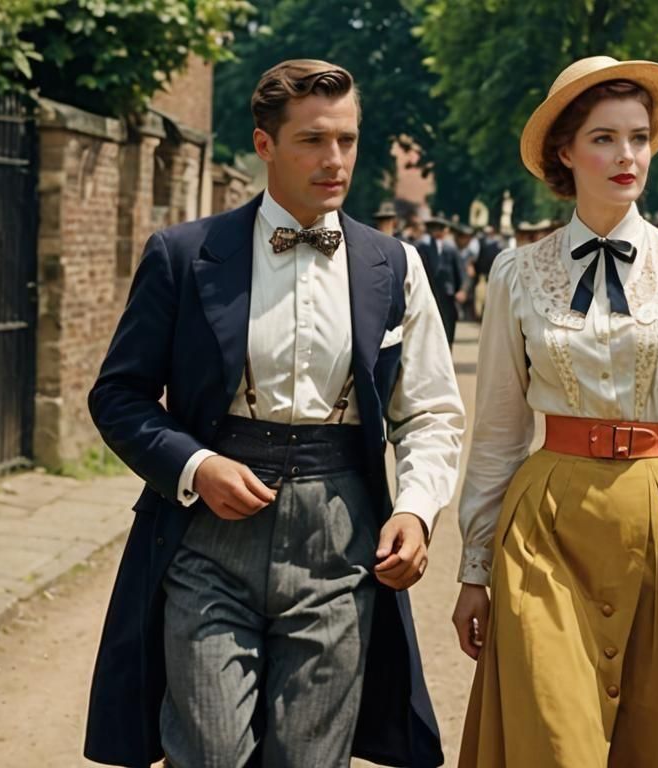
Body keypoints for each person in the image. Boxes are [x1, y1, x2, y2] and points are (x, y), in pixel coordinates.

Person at [82, 59, 464, 768]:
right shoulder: (184, 254)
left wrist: (414, 509)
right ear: (265, 145)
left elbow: (432, 412)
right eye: (314, 141)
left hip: (341, 543)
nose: (336, 160)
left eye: (347, 140)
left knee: (309, 758)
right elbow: (118, 395)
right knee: (209, 750)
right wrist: (194, 465)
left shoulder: (393, 265)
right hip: (208, 539)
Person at [452, 55, 658, 768]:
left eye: (638, 137)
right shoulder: (517, 273)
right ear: (564, 153)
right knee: (553, 743)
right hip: (545, 528)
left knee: (655, 742)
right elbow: (499, 431)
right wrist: (474, 566)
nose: (626, 155)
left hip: (657, 522)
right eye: (603, 138)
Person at [416, 216, 469, 345]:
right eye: (433, 229)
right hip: (428, 294)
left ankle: (446, 358)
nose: (437, 232)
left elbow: (461, 272)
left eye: (439, 228)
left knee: (447, 329)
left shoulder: (451, 249)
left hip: (447, 296)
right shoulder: (421, 247)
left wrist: (462, 289)